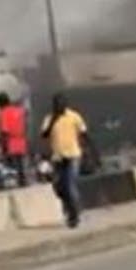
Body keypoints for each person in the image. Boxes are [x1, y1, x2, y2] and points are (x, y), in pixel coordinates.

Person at [41, 93, 89, 228]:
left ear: (65, 104)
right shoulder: (49, 118)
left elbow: (84, 133)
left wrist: (89, 151)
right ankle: (71, 208)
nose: (59, 106)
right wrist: (53, 121)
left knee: (70, 184)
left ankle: (74, 215)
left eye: (61, 103)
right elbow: (44, 135)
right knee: (59, 187)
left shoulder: (74, 116)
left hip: (73, 155)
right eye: (56, 104)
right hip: (58, 157)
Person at [0, 93, 29, 187]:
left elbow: (4, 131)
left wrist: (4, 146)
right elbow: (25, 124)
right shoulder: (19, 110)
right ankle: (23, 181)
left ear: (0, 103)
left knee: (12, 167)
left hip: (11, 142)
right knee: (22, 163)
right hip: (21, 140)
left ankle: (15, 184)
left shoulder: (3, 113)